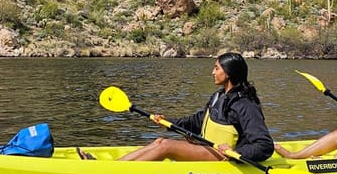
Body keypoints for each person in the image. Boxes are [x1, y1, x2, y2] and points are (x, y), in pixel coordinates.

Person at [112, 52, 275, 162]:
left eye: (217, 68)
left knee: (166, 146)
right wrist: (168, 121)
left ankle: (114, 172)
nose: (212, 72)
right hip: (208, 149)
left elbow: (264, 145)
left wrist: (238, 154)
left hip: (225, 158)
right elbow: (198, 122)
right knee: (159, 141)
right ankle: (115, 167)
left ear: (229, 72)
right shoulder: (218, 96)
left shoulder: (245, 104)